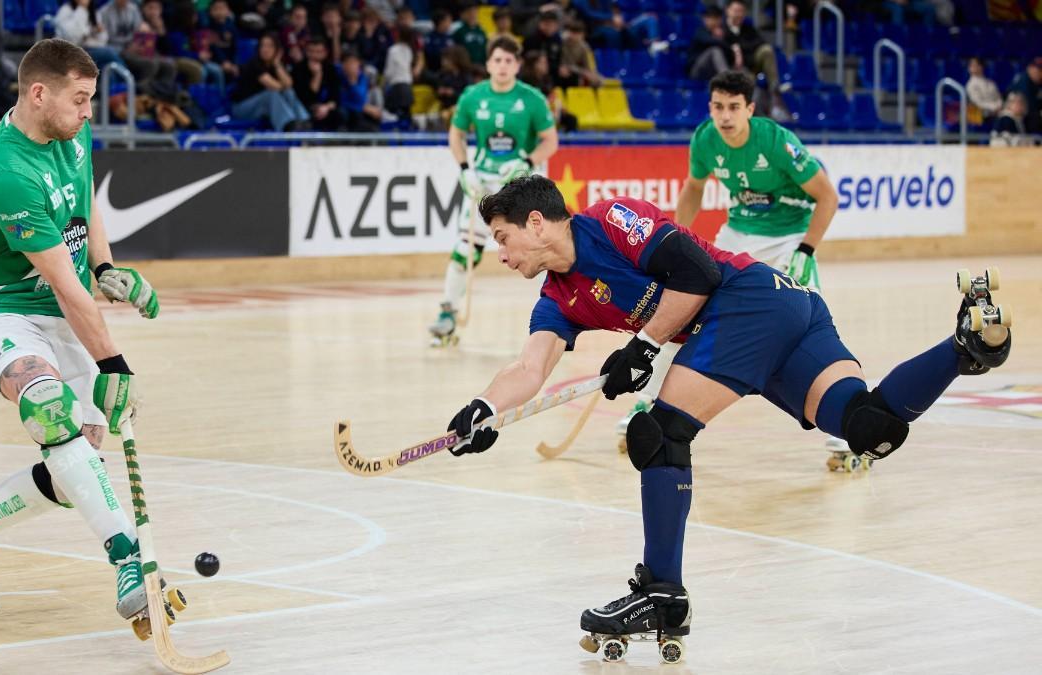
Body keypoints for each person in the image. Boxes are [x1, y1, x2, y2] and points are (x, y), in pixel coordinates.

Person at [445, 172, 1011, 650]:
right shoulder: (557, 298)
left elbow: (699, 274)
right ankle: (965, 345)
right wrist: (484, 408)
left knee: (659, 434)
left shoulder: (612, 220)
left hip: (748, 299)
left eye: (503, 238)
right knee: (869, 426)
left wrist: (644, 345)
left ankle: (662, 594)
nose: (501, 254)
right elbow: (530, 368)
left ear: (537, 223)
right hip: (785, 310)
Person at [0, 38, 162, 628]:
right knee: (49, 409)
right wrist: (114, 364)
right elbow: (64, 288)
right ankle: (129, 558)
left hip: (64, 308)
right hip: (9, 310)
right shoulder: (4, 170)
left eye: (91, 99)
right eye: (81, 99)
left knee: (74, 474)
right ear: (39, 94)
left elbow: (84, 197)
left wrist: (106, 266)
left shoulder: (72, 133)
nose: (89, 112)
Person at [617, 70, 844, 460]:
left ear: (750, 109)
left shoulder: (776, 141)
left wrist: (806, 250)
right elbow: (694, 187)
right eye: (718, 107)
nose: (725, 116)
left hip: (790, 239)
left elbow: (827, 197)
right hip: (737, 236)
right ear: (710, 107)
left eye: (734, 108)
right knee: (684, 311)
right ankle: (649, 401)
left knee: (812, 328)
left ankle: (844, 424)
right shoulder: (705, 139)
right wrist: (673, 245)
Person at [428, 36, 559, 344]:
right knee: (465, 249)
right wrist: (465, 169)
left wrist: (526, 162)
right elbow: (456, 135)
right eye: (497, 60)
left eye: (509, 61)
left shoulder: (532, 99)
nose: (502, 66)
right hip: (484, 184)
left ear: (518, 65)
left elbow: (550, 141)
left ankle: (558, 315)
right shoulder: (473, 96)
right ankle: (448, 314)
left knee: (540, 248)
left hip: (519, 183)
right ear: (488, 64)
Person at [230, 31, 310, 131]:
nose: (265, 49)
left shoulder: (277, 65)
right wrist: (284, 85)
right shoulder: (254, 65)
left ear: (277, 50)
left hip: (264, 108)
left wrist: (277, 64)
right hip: (243, 108)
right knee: (271, 94)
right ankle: (288, 127)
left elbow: (289, 85)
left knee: (288, 92)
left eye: (270, 46)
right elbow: (275, 87)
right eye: (263, 46)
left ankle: (304, 121)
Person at [722, 0, 788, 121]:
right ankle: (752, 114)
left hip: (750, 64)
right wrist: (735, 52)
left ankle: (775, 90)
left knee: (766, 50)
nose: (738, 14)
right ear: (728, 11)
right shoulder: (722, 29)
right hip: (731, 68)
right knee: (748, 81)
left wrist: (740, 49)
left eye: (741, 11)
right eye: (736, 11)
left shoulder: (748, 28)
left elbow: (760, 43)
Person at [54, 0, 123, 74]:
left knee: (108, 66)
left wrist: (99, 33)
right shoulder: (65, 11)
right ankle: (128, 78)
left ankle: (123, 79)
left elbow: (103, 40)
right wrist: (82, 8)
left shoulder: (93, 12)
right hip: (69, 52)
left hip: (88, 49)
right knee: (110, 52)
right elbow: (74, 39)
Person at [293, 35, 342, 130]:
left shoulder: (331, 69)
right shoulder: (299, 69)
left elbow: (336, 96)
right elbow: (305, 97)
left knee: (340, 115)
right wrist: (317, 75)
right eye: (311, 51)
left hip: (326, 108)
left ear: (325, 53)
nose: (314, 55)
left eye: (318, 52)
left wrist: (326, 107)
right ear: (306, 52)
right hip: (304, 108)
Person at [687, 5, 729, 82]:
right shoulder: (700, 32)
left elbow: (729, 52)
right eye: (711, 18)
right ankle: (727, 80)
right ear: (705, 19)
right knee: (715, 50)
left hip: (715, 70)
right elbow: (709, 41)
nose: (714, 21)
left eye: (717, 18)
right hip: (697, 70)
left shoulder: (724, 33)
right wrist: (719, 39)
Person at [1007, 57, 1042, 134]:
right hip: (1015, 117)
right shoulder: (1024, 82)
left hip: (1027, 116)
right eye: (1038, 70)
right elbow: (1027, 107)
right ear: (1030, 68)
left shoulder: (1037, 83)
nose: (1040, 73)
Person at [965, 57, 1002, 122]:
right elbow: (978, 103)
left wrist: (999, 106)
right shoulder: (970, 85)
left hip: (997, 111)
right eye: (972, 65)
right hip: (981, 114)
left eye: (977, 65)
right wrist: (994, 107)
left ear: (981, 67)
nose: (974, 67)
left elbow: (998, 97)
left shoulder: (990, 83)